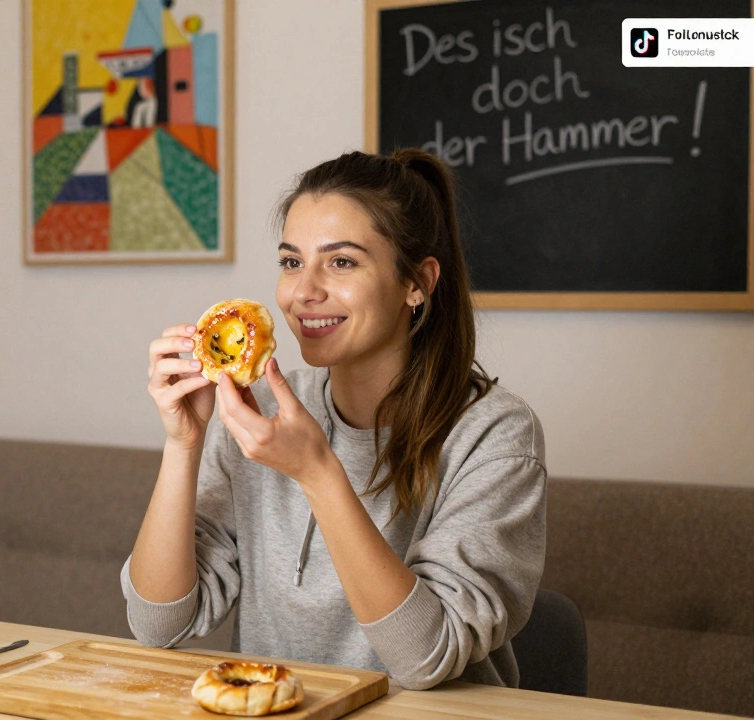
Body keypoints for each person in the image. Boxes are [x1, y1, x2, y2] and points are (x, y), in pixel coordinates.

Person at [122, 147, 547, 689]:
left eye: (341, 262)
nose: (303, 293)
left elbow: (426, 658)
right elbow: (158, 625)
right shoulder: (266, 413)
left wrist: (317, 472)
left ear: (417, 282)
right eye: (291, 262)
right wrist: (184, 444)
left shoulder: (495, 434)